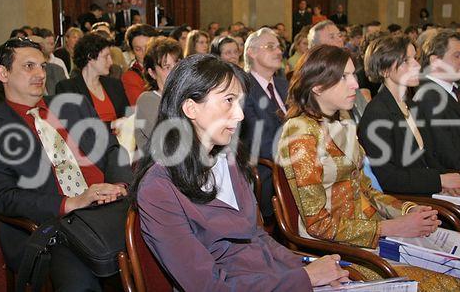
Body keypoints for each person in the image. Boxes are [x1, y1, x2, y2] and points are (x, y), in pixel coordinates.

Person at [132, 54, 349, 291]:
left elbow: (258, 238)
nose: (240, 114)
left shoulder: (228, 159)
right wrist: (304, 278)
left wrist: (308, 267)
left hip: (272, 280)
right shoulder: (159, 188)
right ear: (191, 108)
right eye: (228, 100)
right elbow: (208, 286)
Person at [277, 45, 460, 291]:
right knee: (454, 281)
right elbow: (318, 225)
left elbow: (366, 189)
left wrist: (406, 210)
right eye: (344, 77)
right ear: (317, 86)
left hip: (370, 233)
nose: (355, 85)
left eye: (352, 75)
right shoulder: (300, 134)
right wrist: (390, 227)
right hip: (343, 251)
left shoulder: (343, 120)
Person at [0, 37, 131, 291]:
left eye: (42, 66)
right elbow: (2, 197)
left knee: (163, 240)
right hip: (51, 226)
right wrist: (70, 203)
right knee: (79, 278)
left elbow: (111, 149)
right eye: (29, 66)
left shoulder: (71, 105)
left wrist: (118, 184)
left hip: (107, 205)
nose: (40, 74)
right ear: (3, 73)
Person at [358, 35, 460, 197]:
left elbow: (426, 156)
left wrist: (445, 180)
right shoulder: (377, 114)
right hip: (408, 202)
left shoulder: (409, 104)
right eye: (406, 61)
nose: (417, 65)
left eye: (415, 58)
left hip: (426, 191)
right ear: (385, 70)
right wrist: (439, 181)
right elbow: (387, 178)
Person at [414, 29, 460, 176]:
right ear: (435, 61)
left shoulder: (456, 88)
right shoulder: (429, 97)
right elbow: (450, 157)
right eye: (457, 56)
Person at [240, 27, 288, 222]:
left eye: (279, 47)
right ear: (251, 52)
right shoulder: (244, 88)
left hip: (293, 165)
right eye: (270, 47)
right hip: (267, 171)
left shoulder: (284, 85)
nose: (278, 51)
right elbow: (257, 141)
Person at [56, 33, 130, 130]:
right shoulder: (67, 88)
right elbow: (75, 127)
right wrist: (111, 124)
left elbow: (128, 116)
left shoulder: (114, 84)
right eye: (106, 57)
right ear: (90, 57)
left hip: (119, 142)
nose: (111, 62)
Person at [135, 36, 182, 151]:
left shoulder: (186, 96)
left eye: (177, 64)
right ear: (152, 73)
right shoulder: (147, 100)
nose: (175, 70)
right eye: (167, 67)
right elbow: (170, 141)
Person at [121, 24, 159, 105]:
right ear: (132, 51)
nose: (144, 53)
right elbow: (142, 108)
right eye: (138, 49)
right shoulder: (130, 77)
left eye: (148, 47)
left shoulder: (165, 68)